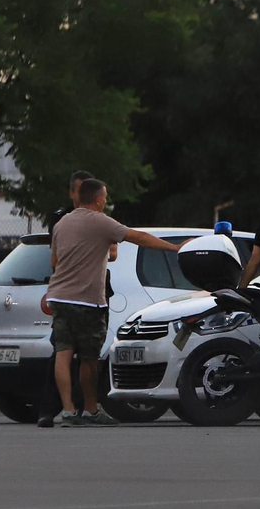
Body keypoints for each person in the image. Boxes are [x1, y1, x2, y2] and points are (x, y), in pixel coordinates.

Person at [42, 179, 182, 427]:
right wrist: (174, 248)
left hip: (59, 297)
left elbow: (54, 262)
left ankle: (66, 410)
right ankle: (91, 410)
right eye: (105, 197)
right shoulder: (101, 221)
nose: (105, 201)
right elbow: (137, 237)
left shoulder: (62, 224)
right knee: (89, 357)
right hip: (87, 301)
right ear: (97, 199)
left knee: (63, 353)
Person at [37, 170, 116, 428]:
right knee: (78, 354)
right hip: (82, 297)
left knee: (68, 352)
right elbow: (116, 248)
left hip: (72, 294)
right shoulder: (66, 220)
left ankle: (75, 409)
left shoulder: (74, 222)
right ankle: (65, 410)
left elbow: (55, 260)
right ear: (74, 193)